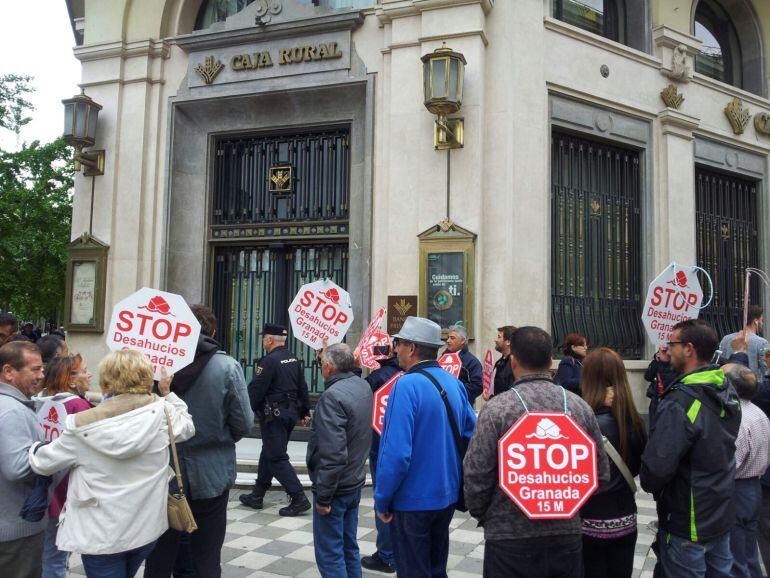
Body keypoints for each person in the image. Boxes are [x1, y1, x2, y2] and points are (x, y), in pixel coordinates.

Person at [28, 349, 195, 578]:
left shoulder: (81, 425)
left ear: (106, 383)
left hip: (100, 535)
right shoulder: (163, 414)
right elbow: (187, 426)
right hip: (145, 528)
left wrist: (35, 447)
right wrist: (168, 393)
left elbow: (42, 463)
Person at [463, 326, 609, 578]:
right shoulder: (580, 407)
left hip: (509, 538)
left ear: (515, 361)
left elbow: (476, 474)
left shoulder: (498, 409)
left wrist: (487, 515)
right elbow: (601, 473)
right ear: (551, 361)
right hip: (566, 536)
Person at [144, 304, 254, 578]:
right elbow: (244, 422)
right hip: (211, 471)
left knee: (159, 556)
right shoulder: (226, 366)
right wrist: (218, 437)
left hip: (163, 471)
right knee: (206, 555)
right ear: (213, 331)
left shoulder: (152, 368)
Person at [375, 316, 476, 578]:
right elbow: (472, 435)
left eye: (398, 343)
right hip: (447, 496)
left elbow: (396, 454)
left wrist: (382, 499)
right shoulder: (453, 383)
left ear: (412, 347)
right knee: (435, 568)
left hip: (413, 500)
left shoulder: (406, 385)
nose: (395, 349)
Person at [640, 319, 741, 578]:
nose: (668, 348)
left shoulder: (681, 401)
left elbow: (656, 469)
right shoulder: (725, 388)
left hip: (689, 520)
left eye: (672, 342)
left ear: (689, 349)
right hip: (721, 511)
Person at [579, 348, 647, 578]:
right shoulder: (634, 421)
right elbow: (638, 466)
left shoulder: (583, 424)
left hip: (589, 520)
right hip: (626, 518)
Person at [307, 343, 372, 578]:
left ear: (329, 368)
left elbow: (333, 453)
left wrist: (323, 496)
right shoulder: (362, 385)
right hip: (353, 480)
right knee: (348, 546)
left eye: (323, 364)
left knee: (331, 554)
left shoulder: (332, 396)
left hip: (337, 487)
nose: (322, 367)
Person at [241, 323, 311, 516]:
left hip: (274, 417)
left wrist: (246, 411)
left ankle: (299, 498)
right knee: (270, 452)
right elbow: (302, 387)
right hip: (289, 415)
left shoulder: (268, 362)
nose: (263, 340)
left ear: (269, 340)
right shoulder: (293, 359)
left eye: (264, 337)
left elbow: (256, 391)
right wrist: (305, 411)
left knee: (277, 457)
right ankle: (257, 495)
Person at [35, 355, 93, 578]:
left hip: (42, 483)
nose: (90, 374)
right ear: (70, 380)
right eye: (84, 370)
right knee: (57, 560)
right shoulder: (78, 405)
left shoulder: (39, 399)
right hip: (64, 490)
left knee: (45, 555)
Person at [0, 341, 46, 578]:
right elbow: (17, 468)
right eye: (35, 369)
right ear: (8, 372)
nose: (41, 375)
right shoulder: (12, 411)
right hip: (15, 535)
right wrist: (53, 453)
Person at [720, 364, 770, 578]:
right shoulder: (758, 413)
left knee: (736, 558)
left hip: (738, 489)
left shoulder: (738, 419)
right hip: (753, 487)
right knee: (749, 554)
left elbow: (731, 464)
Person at [361, 346, 401, 574]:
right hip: (404, 445)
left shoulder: (377, 377)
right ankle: (395, 551)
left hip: (380, 445)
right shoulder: (409, 375)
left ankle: (387, 555)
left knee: (383, 501)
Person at [720, 305, 769, 381]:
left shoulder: (726, 339)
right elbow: (766, 369)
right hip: (752, 386)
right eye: (761, 320)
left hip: (728, 385)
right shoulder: (762, 342)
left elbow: (720, 362)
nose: (762, 324)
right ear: (756, 321)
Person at [444, 324, 483, 405]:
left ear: (462, 341)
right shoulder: (442, 358)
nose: (448, 341)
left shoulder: (472, 362)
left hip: (462, 407)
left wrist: (455, 391)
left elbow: (477, 386)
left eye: (452, 338)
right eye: (448, 337)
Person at [644, 344, 678, 425]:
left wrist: (665, 362)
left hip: (671, 400)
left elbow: (669, 380)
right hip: (656, 400)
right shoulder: (657, 362)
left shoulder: (677, 365)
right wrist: (657, 360)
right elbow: (648, 376)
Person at [488, 325, 516, 399]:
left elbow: (511, 393)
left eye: (499, 337)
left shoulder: (515, 364)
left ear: (508, 342)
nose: (496, 340)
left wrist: (491, 398)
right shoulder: (499, 362)